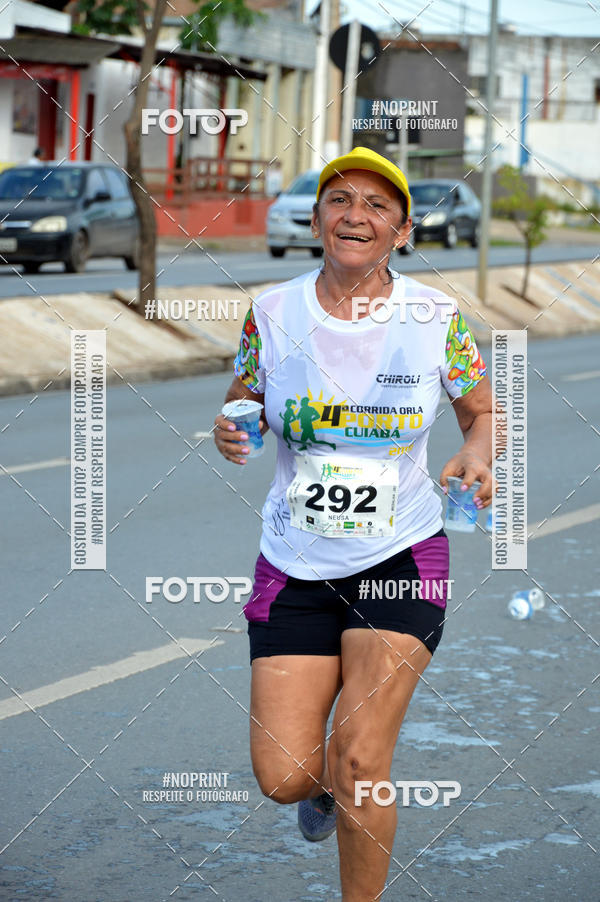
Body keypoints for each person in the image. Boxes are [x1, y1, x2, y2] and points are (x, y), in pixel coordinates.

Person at [214, 146, 492, 901]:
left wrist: (476, 452)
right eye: (341, 201)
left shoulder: (436, 318)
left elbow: (480, 412)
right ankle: (323, 786)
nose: (356, 215)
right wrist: (234, 427)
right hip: (294, 561)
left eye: (377, 206)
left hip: (402, 554)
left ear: (401, 232)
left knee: (363, 756)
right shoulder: (272, 312)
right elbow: (245, 397)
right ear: (316, 219)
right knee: (286, 776)